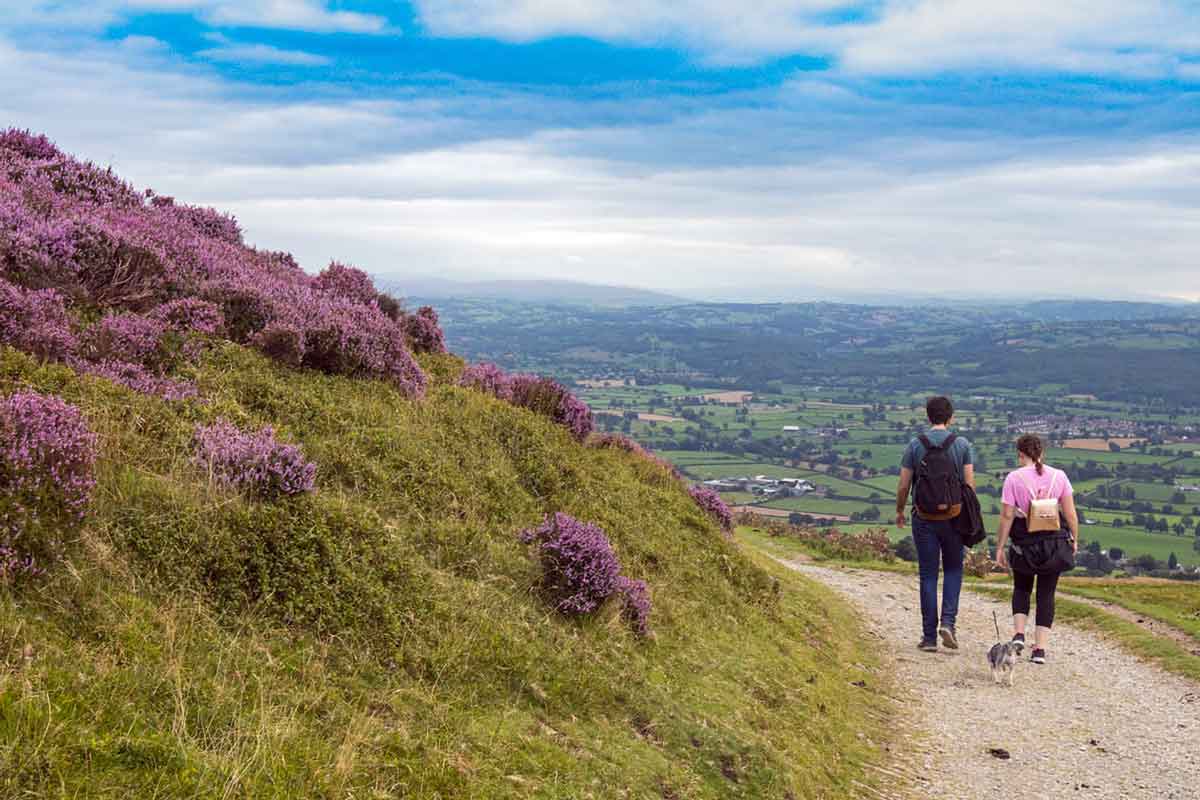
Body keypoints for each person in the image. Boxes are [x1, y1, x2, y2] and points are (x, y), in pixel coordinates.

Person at [895, 396, 975, 652]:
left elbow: (905, 484)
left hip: (924, 518)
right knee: (953, 570)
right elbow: (969, 486)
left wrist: (899, 510)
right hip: (953, 517)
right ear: (950, 417)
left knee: (928, 574)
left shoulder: (915, 445)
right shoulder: (961, 445)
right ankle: (948, 623)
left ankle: (929, 637)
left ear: (928, 417)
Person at [995, 434, 1078, 664]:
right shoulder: (1059, 476)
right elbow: (1070, 513)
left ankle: (1019, 633)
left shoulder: (1013, 478)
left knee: (1021, 587)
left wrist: (1000, 546)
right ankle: (1040, 649)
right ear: (1041, 453)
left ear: (1020, 454)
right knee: (1046, 593)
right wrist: (1074, 538)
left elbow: (1007, 515)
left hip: (1024, 540)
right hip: (1053, 541)